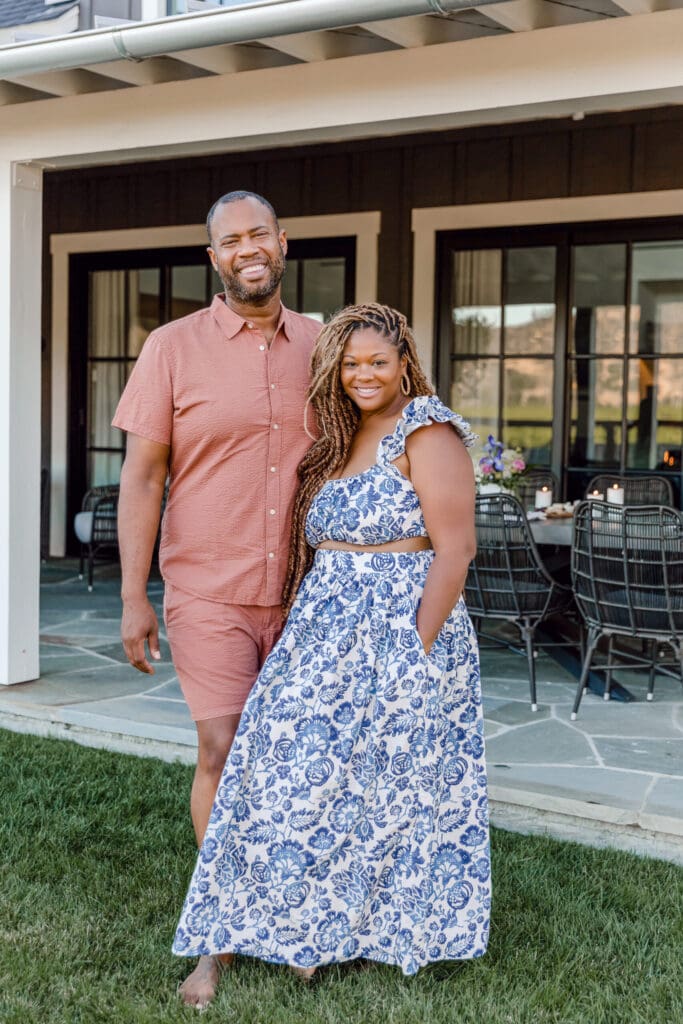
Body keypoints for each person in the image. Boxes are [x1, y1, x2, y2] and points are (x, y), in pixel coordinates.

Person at [173, 302, 491, 987]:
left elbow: (455, 550)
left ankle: (328, 934)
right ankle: (267, 929)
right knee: (280, 771)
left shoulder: (425, 430)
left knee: (380, 795)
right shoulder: (341, 434)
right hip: (322, 634)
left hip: (398, 633)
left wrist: (414, 651)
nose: (363, 375)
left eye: (377, 362)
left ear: (404, 361)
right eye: (350, 364)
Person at [111, 191, 321, 1006]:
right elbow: (143, 476)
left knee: (302, 762)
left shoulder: (326, 344)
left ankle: (300, 919)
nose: (247, 249)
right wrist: (134, 596)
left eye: (258, 234)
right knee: (223, 749)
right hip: (207, 585)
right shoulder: (171, 347)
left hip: (310, 589)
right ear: (214, 258)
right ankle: (224, 932)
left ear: (281, 242)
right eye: (230, 241)